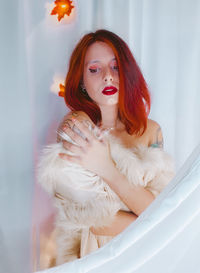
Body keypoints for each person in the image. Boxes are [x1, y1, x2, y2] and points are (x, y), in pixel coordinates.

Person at [38, 29, 173, 268]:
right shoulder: (75, 125)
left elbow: (162, 214)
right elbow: (86, 217)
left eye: (115, 67)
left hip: (143, 257)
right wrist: (144, 216)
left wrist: (106, 169)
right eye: (94, 69)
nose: (108, 77)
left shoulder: (151, 131)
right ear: (81, 81)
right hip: (92, 258)